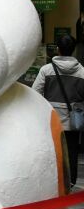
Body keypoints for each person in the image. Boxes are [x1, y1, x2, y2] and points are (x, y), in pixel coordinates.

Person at [33, 34, 84, 186]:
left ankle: (54, 183)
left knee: (53, 151)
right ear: (73, 50)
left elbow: (35, 92)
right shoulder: (82, 72)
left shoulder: (46, 70)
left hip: (51, 119)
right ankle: (71, 182)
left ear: (57, 49)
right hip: (74, 121)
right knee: (72, 151)